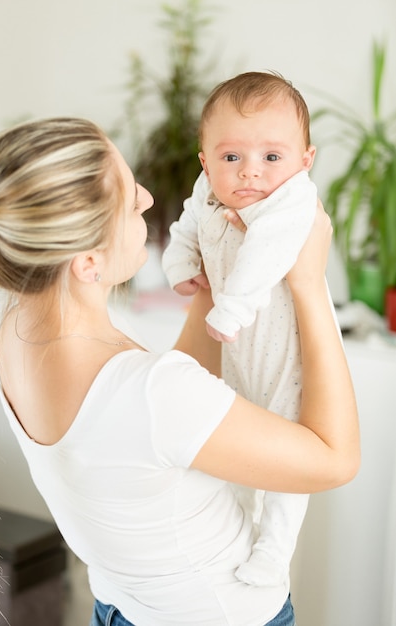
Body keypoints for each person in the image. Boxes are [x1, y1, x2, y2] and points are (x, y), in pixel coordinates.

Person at [0, 117, 359, 626]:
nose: (147, 199)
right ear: (88, 261)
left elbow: (169, 422)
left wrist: (214, 273)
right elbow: (335, 461)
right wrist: (310, 282)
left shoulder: (10, 338)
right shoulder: (151, 392)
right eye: (130, 201)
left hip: (120, 609)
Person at [162, 71, 333, 587]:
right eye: (231, 157)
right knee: (235, 443)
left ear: (305, 161)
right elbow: (187, 224)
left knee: (288, 462)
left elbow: (264, 257)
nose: (250, 174)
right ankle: (235, 528)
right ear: (205, 160)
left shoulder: (293, 202)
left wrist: (229, 309)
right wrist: (180, 265)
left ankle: (275, 548)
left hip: (292, 358)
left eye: (272, 158)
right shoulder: (209, 192)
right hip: (238, 352)